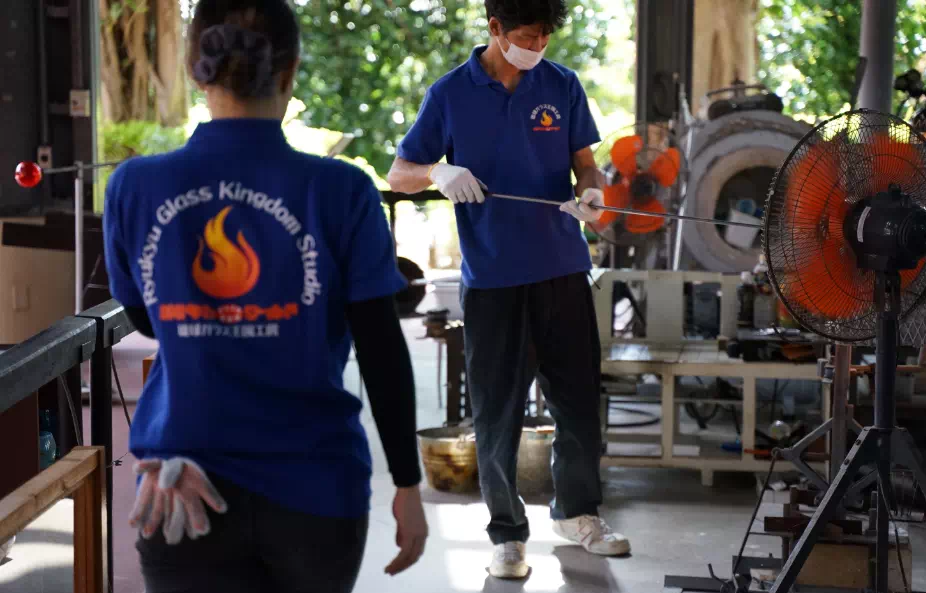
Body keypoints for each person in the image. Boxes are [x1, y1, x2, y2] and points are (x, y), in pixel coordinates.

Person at [102, 1, 427, 591]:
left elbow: (146, 319)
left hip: (181, 482)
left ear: (196, 69)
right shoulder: (342, 190)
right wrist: (407, 482)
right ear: (290, 69)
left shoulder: (135, 186)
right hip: (315, 489)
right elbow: (381, 349)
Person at [388, 0, 630, 580]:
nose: (537, 46)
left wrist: (592, 193)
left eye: (545, 36)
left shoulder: (562, 84)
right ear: (495, 28)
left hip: (563, 268)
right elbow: (399, 172)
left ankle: (579, 514)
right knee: (498, 415)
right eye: (527, 35)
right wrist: (437, 173)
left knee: (577, 403)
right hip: (494, 279)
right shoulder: (451, 94)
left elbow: (586, 165)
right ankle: (507, 535)